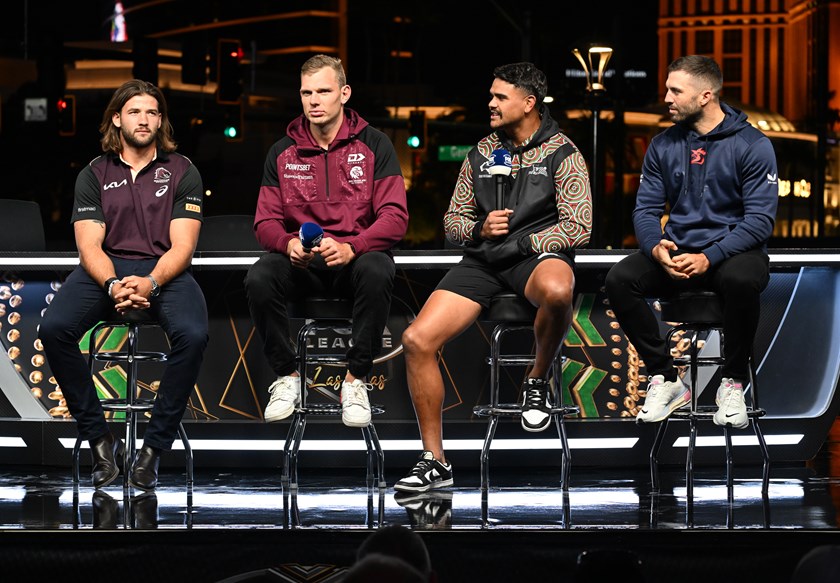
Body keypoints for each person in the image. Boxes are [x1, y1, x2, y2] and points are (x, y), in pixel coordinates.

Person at [395, 62, 592, 493]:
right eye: (492, 95)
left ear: (528, 102)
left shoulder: (563, 151)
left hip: (535, 257)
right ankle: (435, 462)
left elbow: (578, 226)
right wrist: (479, 230)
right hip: (484, 261)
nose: (491, 103)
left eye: (500, 96)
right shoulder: (481, 152)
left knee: (559, 290)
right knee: (416, 340)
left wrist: (523, 244)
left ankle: (536, 380)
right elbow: (452, 223)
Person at [40, 79, 208, 491]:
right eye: (134, 111)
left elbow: (183, 247)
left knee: (194, 333)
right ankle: (101, 440)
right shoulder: (94, 173)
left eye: (152, 111)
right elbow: (89, 246)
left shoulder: (182, 169)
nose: (144, 119)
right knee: (54, 329)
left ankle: (151, 450)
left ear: (160, 120)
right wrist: (115, 283)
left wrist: (150, 281)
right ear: (117, 119)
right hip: (107, 270)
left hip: (166, 271)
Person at [605, 55, 778, 428]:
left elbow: (760, 222)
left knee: (740, 279)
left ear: (705, 96)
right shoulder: (663, 144)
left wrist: (709, 256)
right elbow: (646, 209)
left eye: (674, 90)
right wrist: (655, 247)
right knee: (620, 279)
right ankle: (666, 378)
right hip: (679, 252)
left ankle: (732, 383)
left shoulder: (752, 144)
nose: (666, 97)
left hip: (733, 252)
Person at [245, 55, 408, 428]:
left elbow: (395, 218)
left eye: (324, 91)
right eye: (306, 92)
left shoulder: (375, 145)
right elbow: (264, 221)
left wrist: (354, 246)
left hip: (353, 262)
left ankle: (355, 381)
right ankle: (287, 376)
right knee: (259, 276)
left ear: (344, 93)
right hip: (302, 265)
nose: (314, 100)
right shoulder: (282, 151)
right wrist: (288, 244)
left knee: (378, 266)